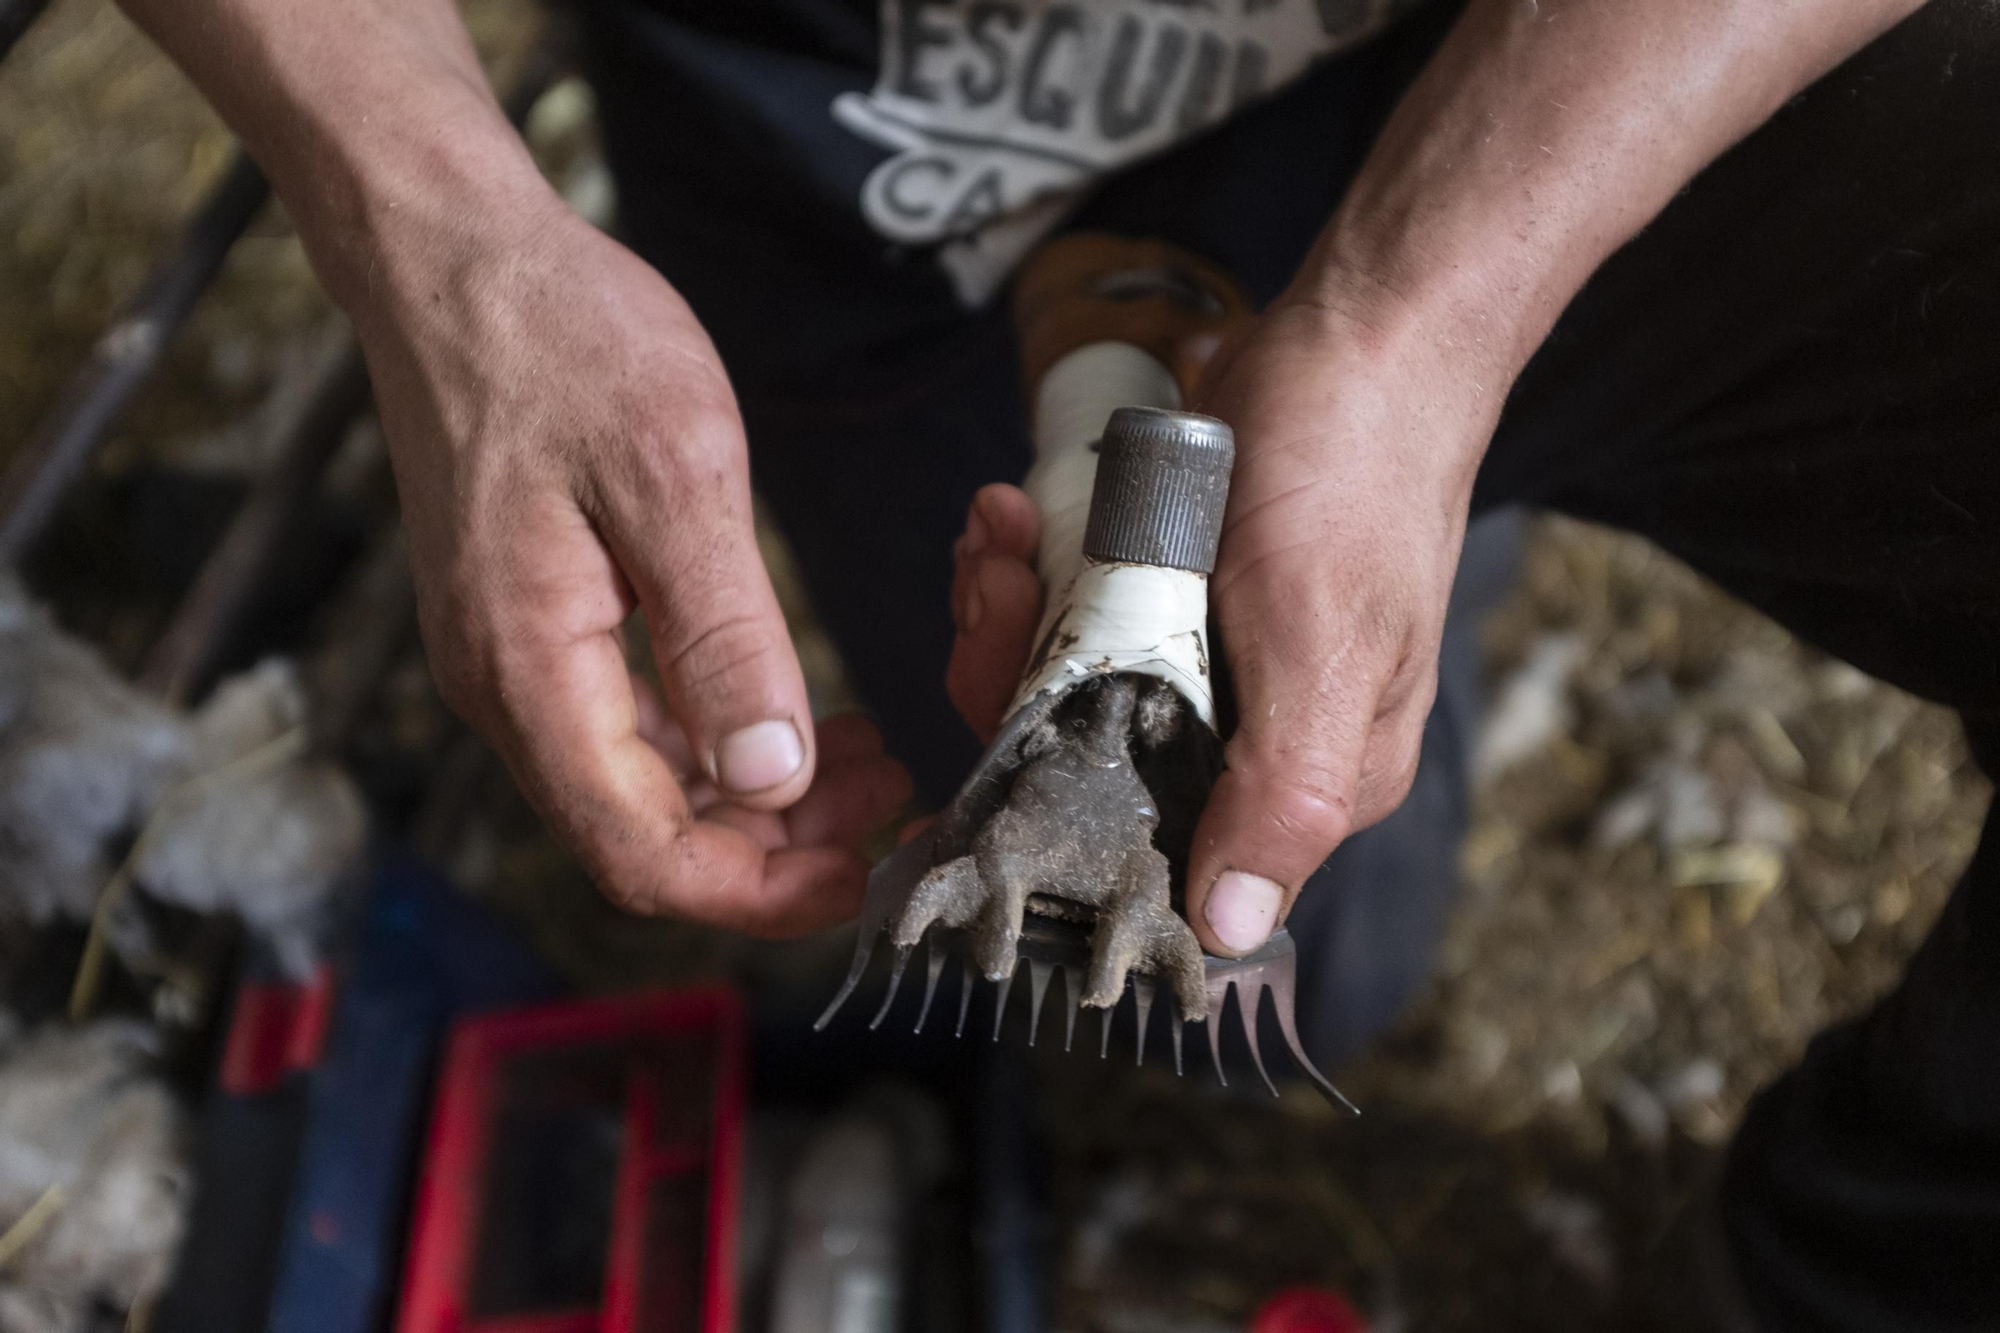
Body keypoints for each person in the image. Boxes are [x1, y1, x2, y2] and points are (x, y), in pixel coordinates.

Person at [115, 0, 1995, 1326]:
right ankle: (1367, 523)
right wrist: (441, 243)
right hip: (885, 171)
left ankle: (1847, 1277)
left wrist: (1425, 318)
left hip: (1548, 73)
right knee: (1241, 962)